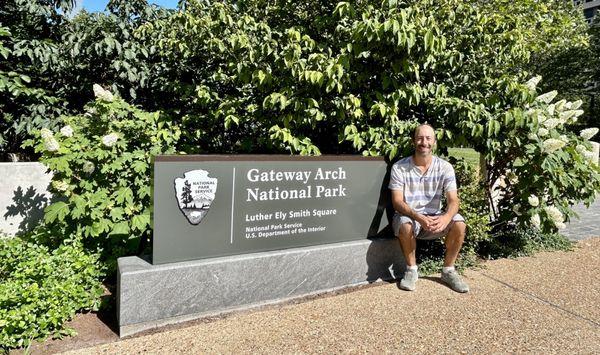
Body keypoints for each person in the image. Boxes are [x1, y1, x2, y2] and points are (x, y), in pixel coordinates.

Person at [388, 123, 469, 293]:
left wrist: (446, 217)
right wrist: (418, 217)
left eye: (428, 138)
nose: (424, 142)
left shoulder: (445, 167)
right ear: (413, 141)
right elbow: (397, 202)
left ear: (434, 142)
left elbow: (454, 200)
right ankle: (411, 271)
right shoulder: (399, 167)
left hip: (436, 217)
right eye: (419, 138)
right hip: (410, 216)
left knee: (459, 223)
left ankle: (448, 271)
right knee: (405, 224)